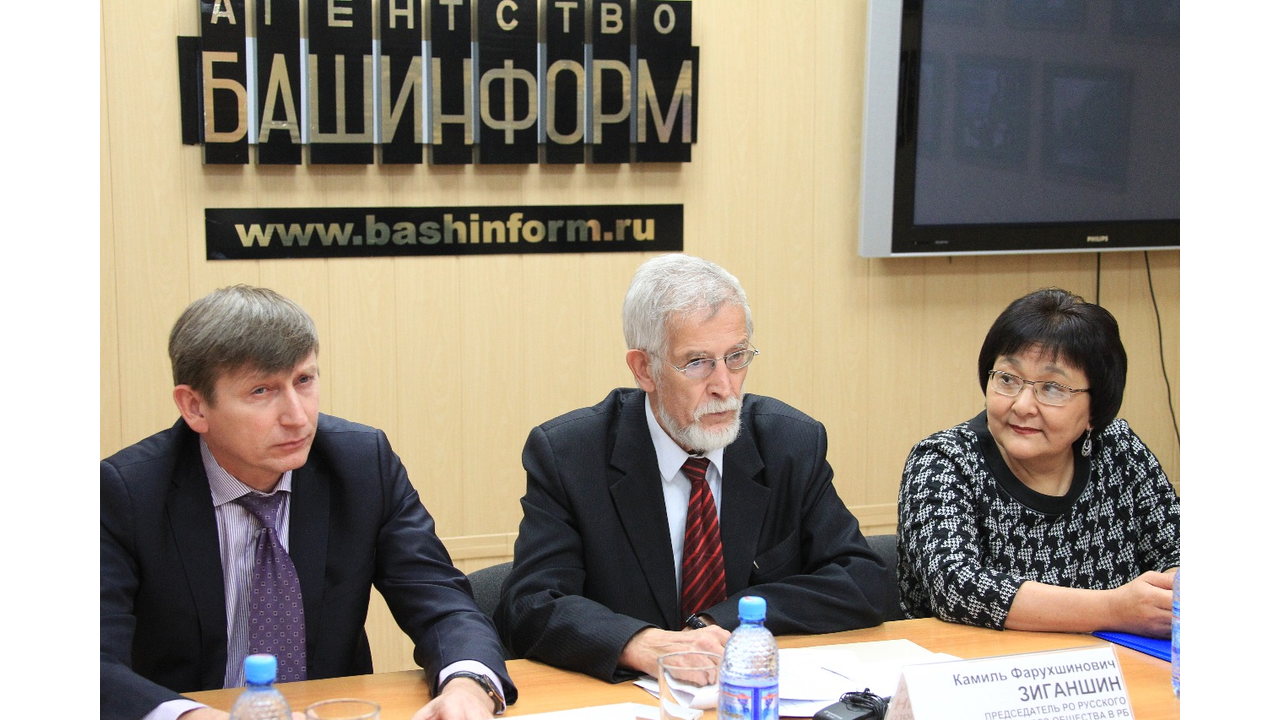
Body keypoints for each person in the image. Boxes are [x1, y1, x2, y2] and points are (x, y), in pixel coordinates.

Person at [101, 285, 516, 720]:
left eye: (304, 381)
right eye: (261, 391)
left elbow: (442, 604)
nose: (297, 417)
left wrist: (468, 685)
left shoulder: (362, 466)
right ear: (195, 406)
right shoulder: (127, 494)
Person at [495, 253, 890, 682]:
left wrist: (719, 622)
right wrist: (642, 644)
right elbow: (529, 605)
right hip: (626, 699)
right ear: (644, 369)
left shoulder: (789, 444)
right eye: (697, 362)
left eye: (736, 356)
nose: (724, 386)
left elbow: (865, 581)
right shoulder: (571, 455)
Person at [896, 287, 1180, 637]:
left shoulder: (1118, 448)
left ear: (1096, 409)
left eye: (1052, 388)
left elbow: (1174, 549)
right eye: (1007, 379)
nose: (1022, 405)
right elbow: (956, 586)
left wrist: (1168, 594)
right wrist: (1114, 609)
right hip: (977, 664)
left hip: (1117, 663)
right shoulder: (945, 460)